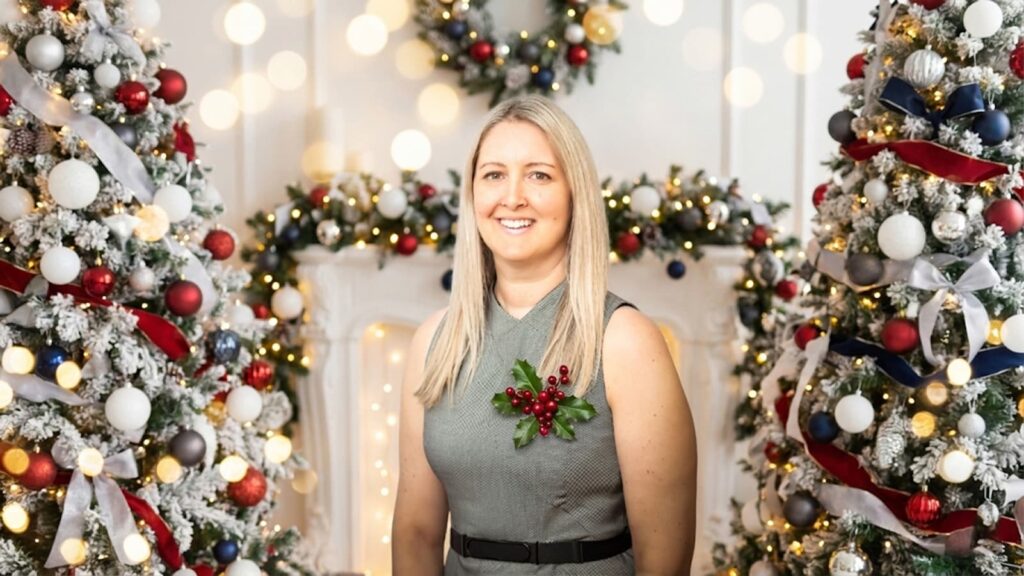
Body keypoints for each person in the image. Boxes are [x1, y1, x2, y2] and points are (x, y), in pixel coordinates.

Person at [392, 95, 697, 575]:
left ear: (575, 194)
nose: (512, 197)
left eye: (539, 174)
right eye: (494, 174)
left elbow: (666, 558)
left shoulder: (624, 340)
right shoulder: (433, 342)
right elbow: (415, 534)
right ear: (472, 194)